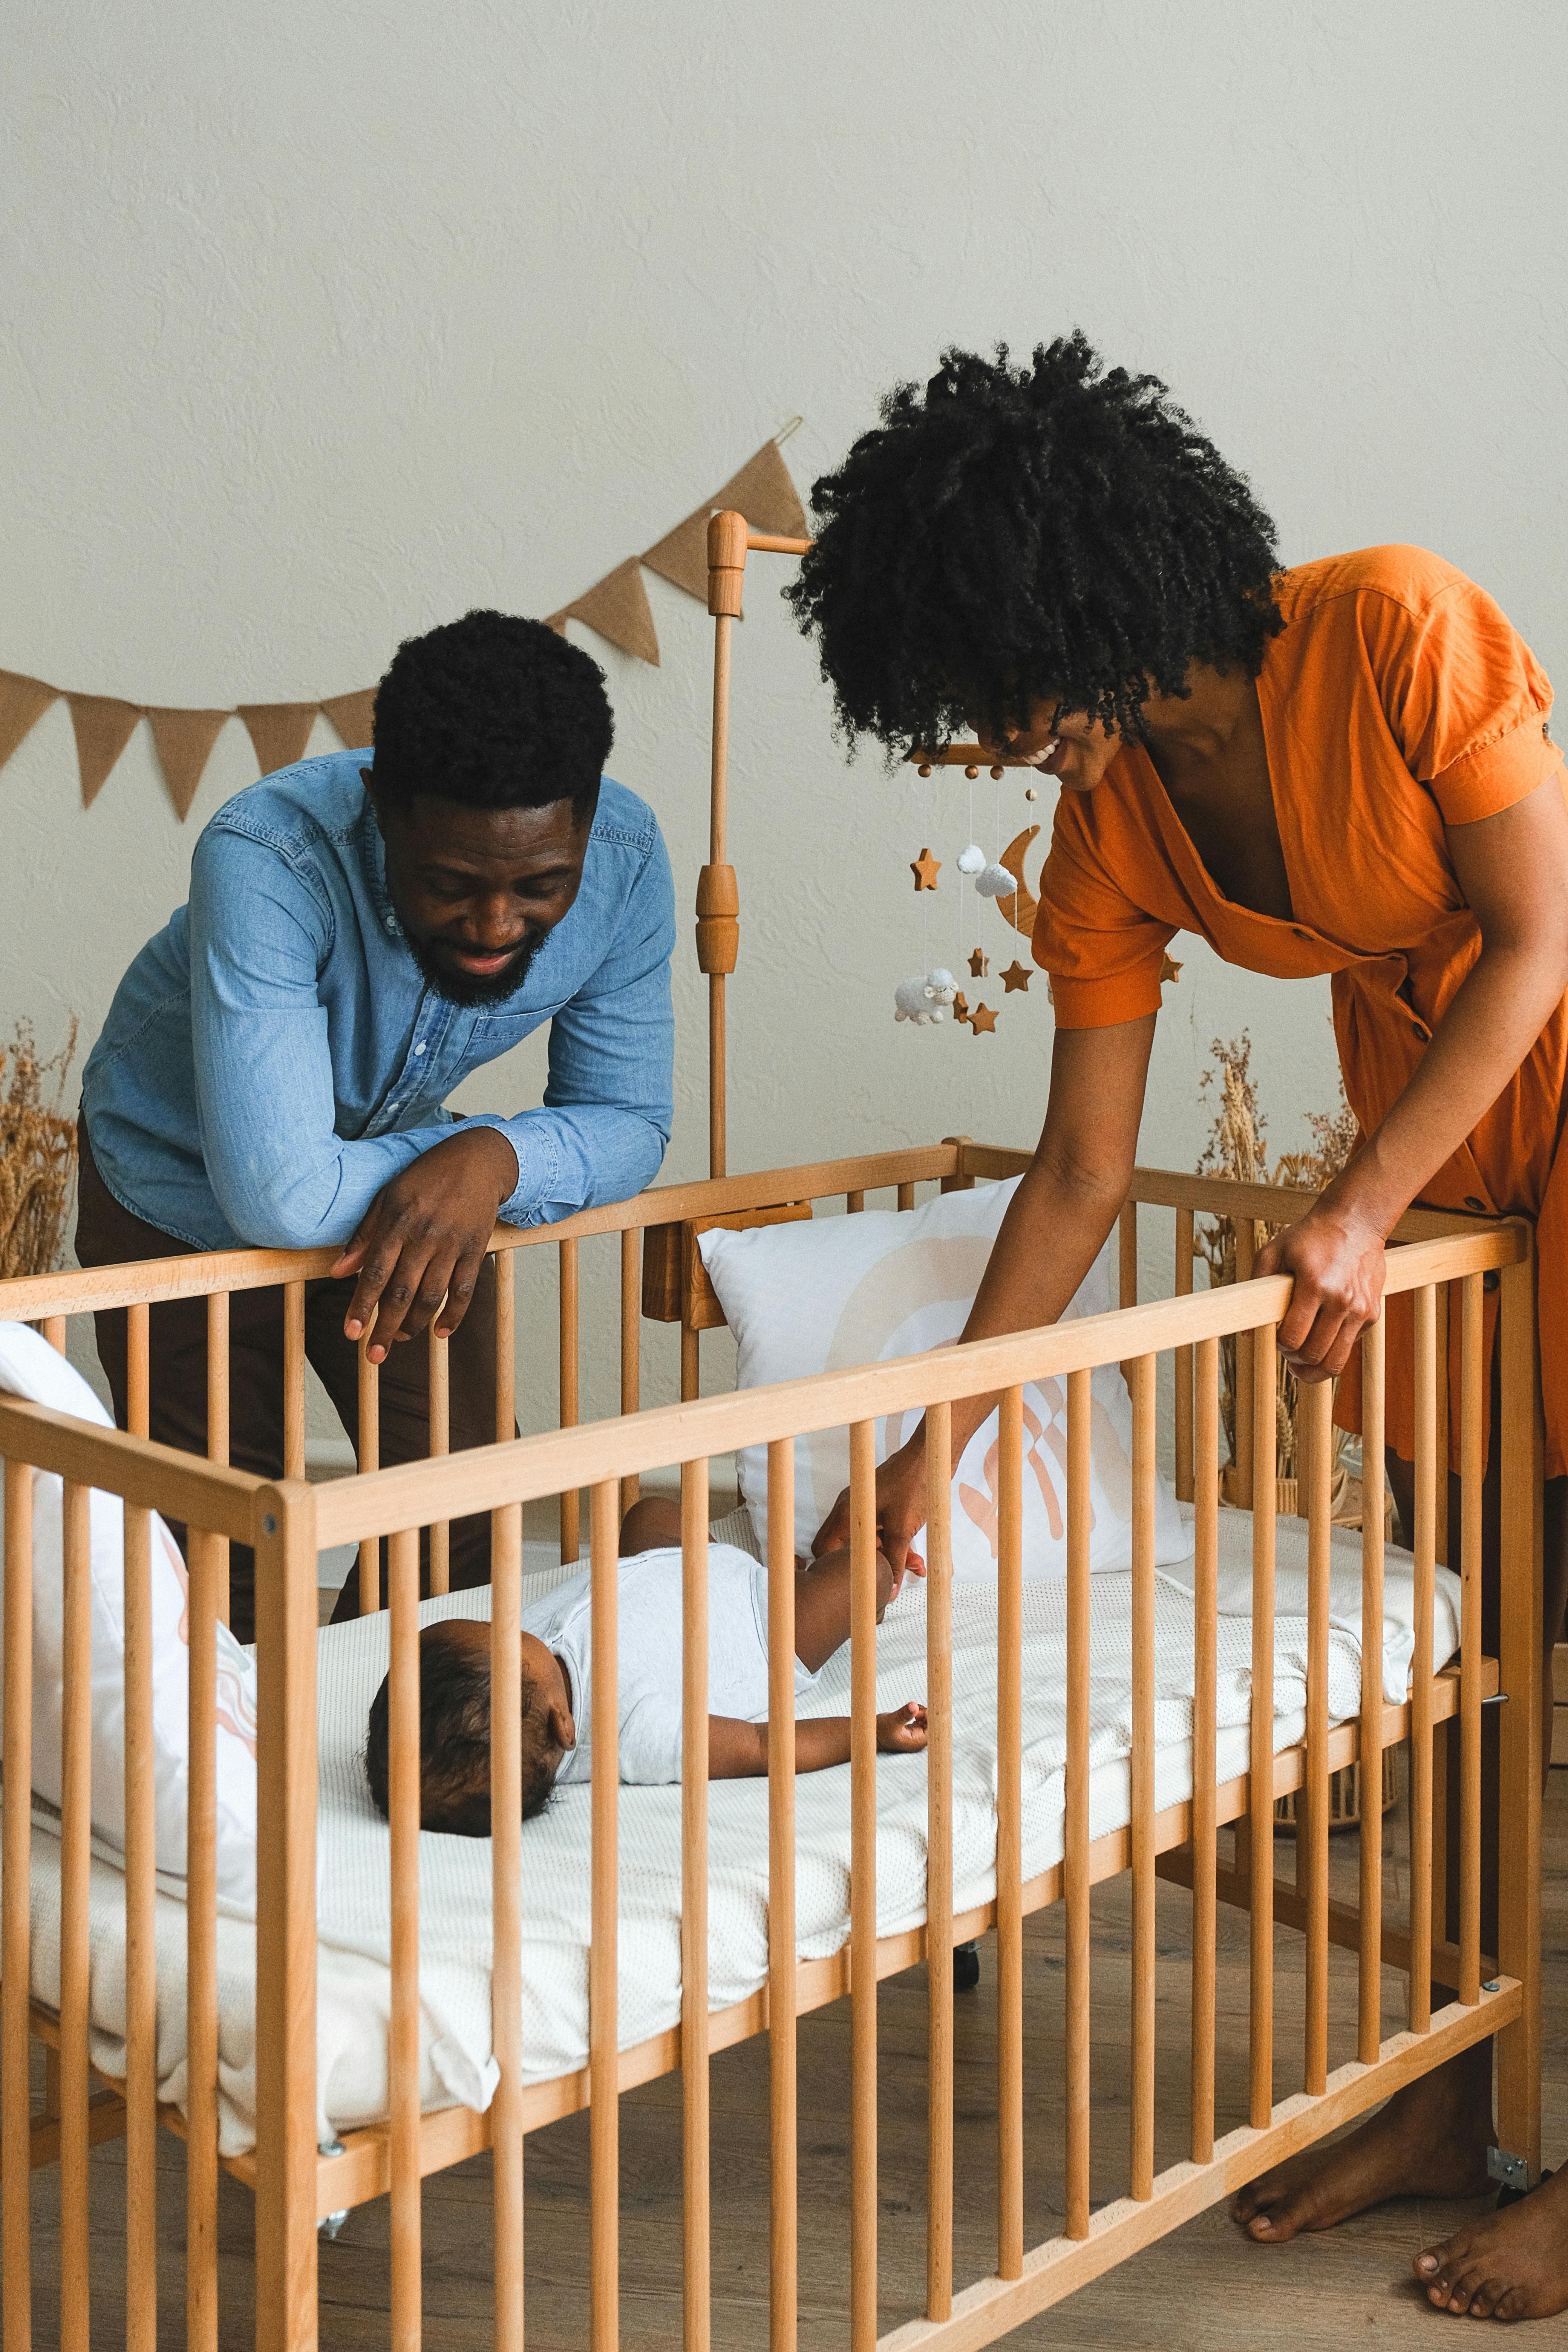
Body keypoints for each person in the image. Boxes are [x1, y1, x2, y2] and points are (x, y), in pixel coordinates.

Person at [789, 335, 1568, 2321]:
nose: (978, 740)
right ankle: (1461, 2096)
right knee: (1484, 1665)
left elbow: (1544, 934)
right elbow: (1075, 1180)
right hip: (1448, 1160)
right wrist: (924, 1449)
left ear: (1093, 603)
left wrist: (1363, 1201)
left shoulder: (1395, 627)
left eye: (989, 689)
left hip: (1476, 1128)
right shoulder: (1114, 826)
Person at [77, 611, 675, 1641]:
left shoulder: (625, 860)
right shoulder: (266, 852)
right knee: (229, 1562)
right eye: (450, 884)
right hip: (173, 1187)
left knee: (464, 1512)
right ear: (381, 812)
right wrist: (459, 1156)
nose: (495, 927)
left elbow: (630, 1118)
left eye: (541, 885)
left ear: (580, 824)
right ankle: (246, 1772)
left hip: (396, 1191)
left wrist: (488, 1156)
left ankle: (357, 1753)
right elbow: (278, 1191)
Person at [361, 1493, 928, 1825]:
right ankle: (851, 1579)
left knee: (651, 1510)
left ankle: (779, 1566)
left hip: (667, 1565)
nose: (502, 1624)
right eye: (498, 1635)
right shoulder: (633, 1734)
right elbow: (762, 1747)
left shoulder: (524, 1677)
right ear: (564, 1724)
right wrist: (871, 1731)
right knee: (863, 1576)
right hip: (765, 1628)